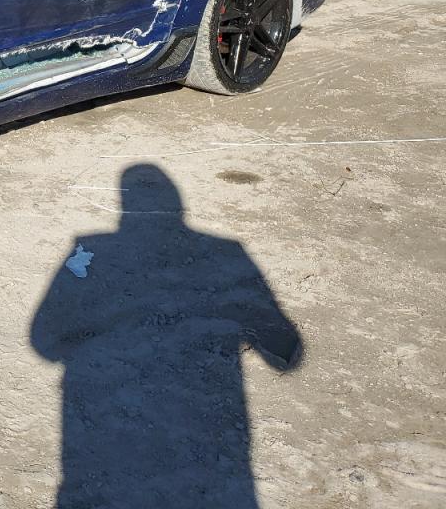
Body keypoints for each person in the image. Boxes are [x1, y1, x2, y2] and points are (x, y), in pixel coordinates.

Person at [31, 164, 302, 508]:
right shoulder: (228, 250)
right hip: (210, 450)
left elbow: (42, 342)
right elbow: (286, 359)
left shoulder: (89, 246)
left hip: (105, 448)